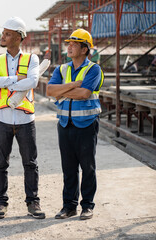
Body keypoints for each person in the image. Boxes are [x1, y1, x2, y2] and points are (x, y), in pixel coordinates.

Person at [0, 17, 45, 220]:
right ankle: (0, 204)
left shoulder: (32, 59)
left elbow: (34, 81)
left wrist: (6, 83)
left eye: (7, 34)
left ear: (19, 37)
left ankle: (33, 202)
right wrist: (17, 80)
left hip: (25, 120)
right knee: (0, 163)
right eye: (3, 33)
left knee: (30, 163)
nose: (3, 36)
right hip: (3, 118)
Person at [46, 29, 103, 220]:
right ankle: (69, 206)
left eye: (74, 44)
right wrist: (73, 85)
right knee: (68, 168)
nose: (68, 46)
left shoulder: (93, 69)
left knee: (88, 167)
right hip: (65, 123)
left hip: (86, 123)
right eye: (68, 43)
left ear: (85, 49)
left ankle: (87, 205)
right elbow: (49, 90)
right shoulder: (62, 69)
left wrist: (62, 91)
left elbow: (84, 94)